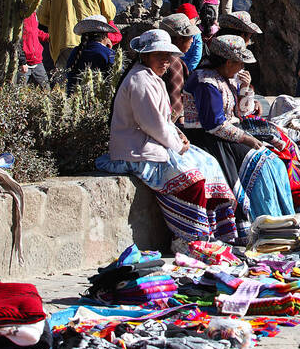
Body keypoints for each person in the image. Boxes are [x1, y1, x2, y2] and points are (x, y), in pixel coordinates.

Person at [98, 29, 242, 244]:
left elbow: (162, 121)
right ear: (145, 56)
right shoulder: (140, 81)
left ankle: (212, 232)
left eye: (168, 56)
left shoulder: (150, 78)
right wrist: (178, 144)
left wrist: (179, 136)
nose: (165, 61)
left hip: (152, 144)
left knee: (209, 163)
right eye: (159, 55)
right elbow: (153, 124)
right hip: (137, 150)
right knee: (191, 180)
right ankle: (190, 237)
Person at [180, 35, 293, 222]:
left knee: (275, 162)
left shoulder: (226, 78)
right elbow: (214, 124)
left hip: (227, 135)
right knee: (263, 166)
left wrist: (245, 89)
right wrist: (248, 139)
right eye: (239, 62)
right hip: (210, 140)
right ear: (227, 61)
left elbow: (241, 111)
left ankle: (281, 220)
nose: (242, 67)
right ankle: (263, 222)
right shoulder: (205, 81)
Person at [37, 0, 118, 68]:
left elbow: (42, 17)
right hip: (92, 41)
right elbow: (110, 13)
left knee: (68, 79)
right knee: (91, 77)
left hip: (64, 41)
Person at [158, 13, 200, 121]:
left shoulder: (155, 59)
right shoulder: (174, 63)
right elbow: (174, 107)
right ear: (179, 39)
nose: (192, 40)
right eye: (190, 37)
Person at [65, 15, 116, 90]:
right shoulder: (108, 53)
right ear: (104, 36)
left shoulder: (75, 51)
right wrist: (109, 50)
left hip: (74, 97)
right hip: (99, 97)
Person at [19, 12, 50, 88]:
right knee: (19, 93)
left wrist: (48, 37)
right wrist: (22, 61)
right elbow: (17, 41)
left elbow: (35, 31)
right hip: (24, 63)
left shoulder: (33, 14)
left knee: (46, 90)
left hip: (37, 60)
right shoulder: (19, 16)